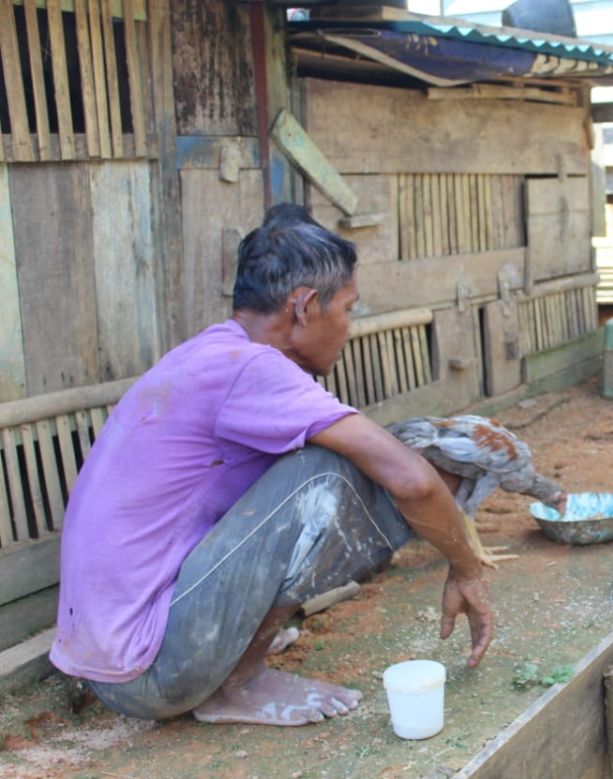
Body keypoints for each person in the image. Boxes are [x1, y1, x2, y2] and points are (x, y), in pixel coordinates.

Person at [50, 203, 495, 727]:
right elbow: (413, 480)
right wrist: (467, 569)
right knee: (328, 470)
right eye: (348, 308)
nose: (349, 327)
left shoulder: (214, 353)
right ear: (304, 306)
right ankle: (235, 685)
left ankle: (231, 655)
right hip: (152, 672)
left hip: (114, 660)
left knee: (306, 459)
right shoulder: (252, 370)